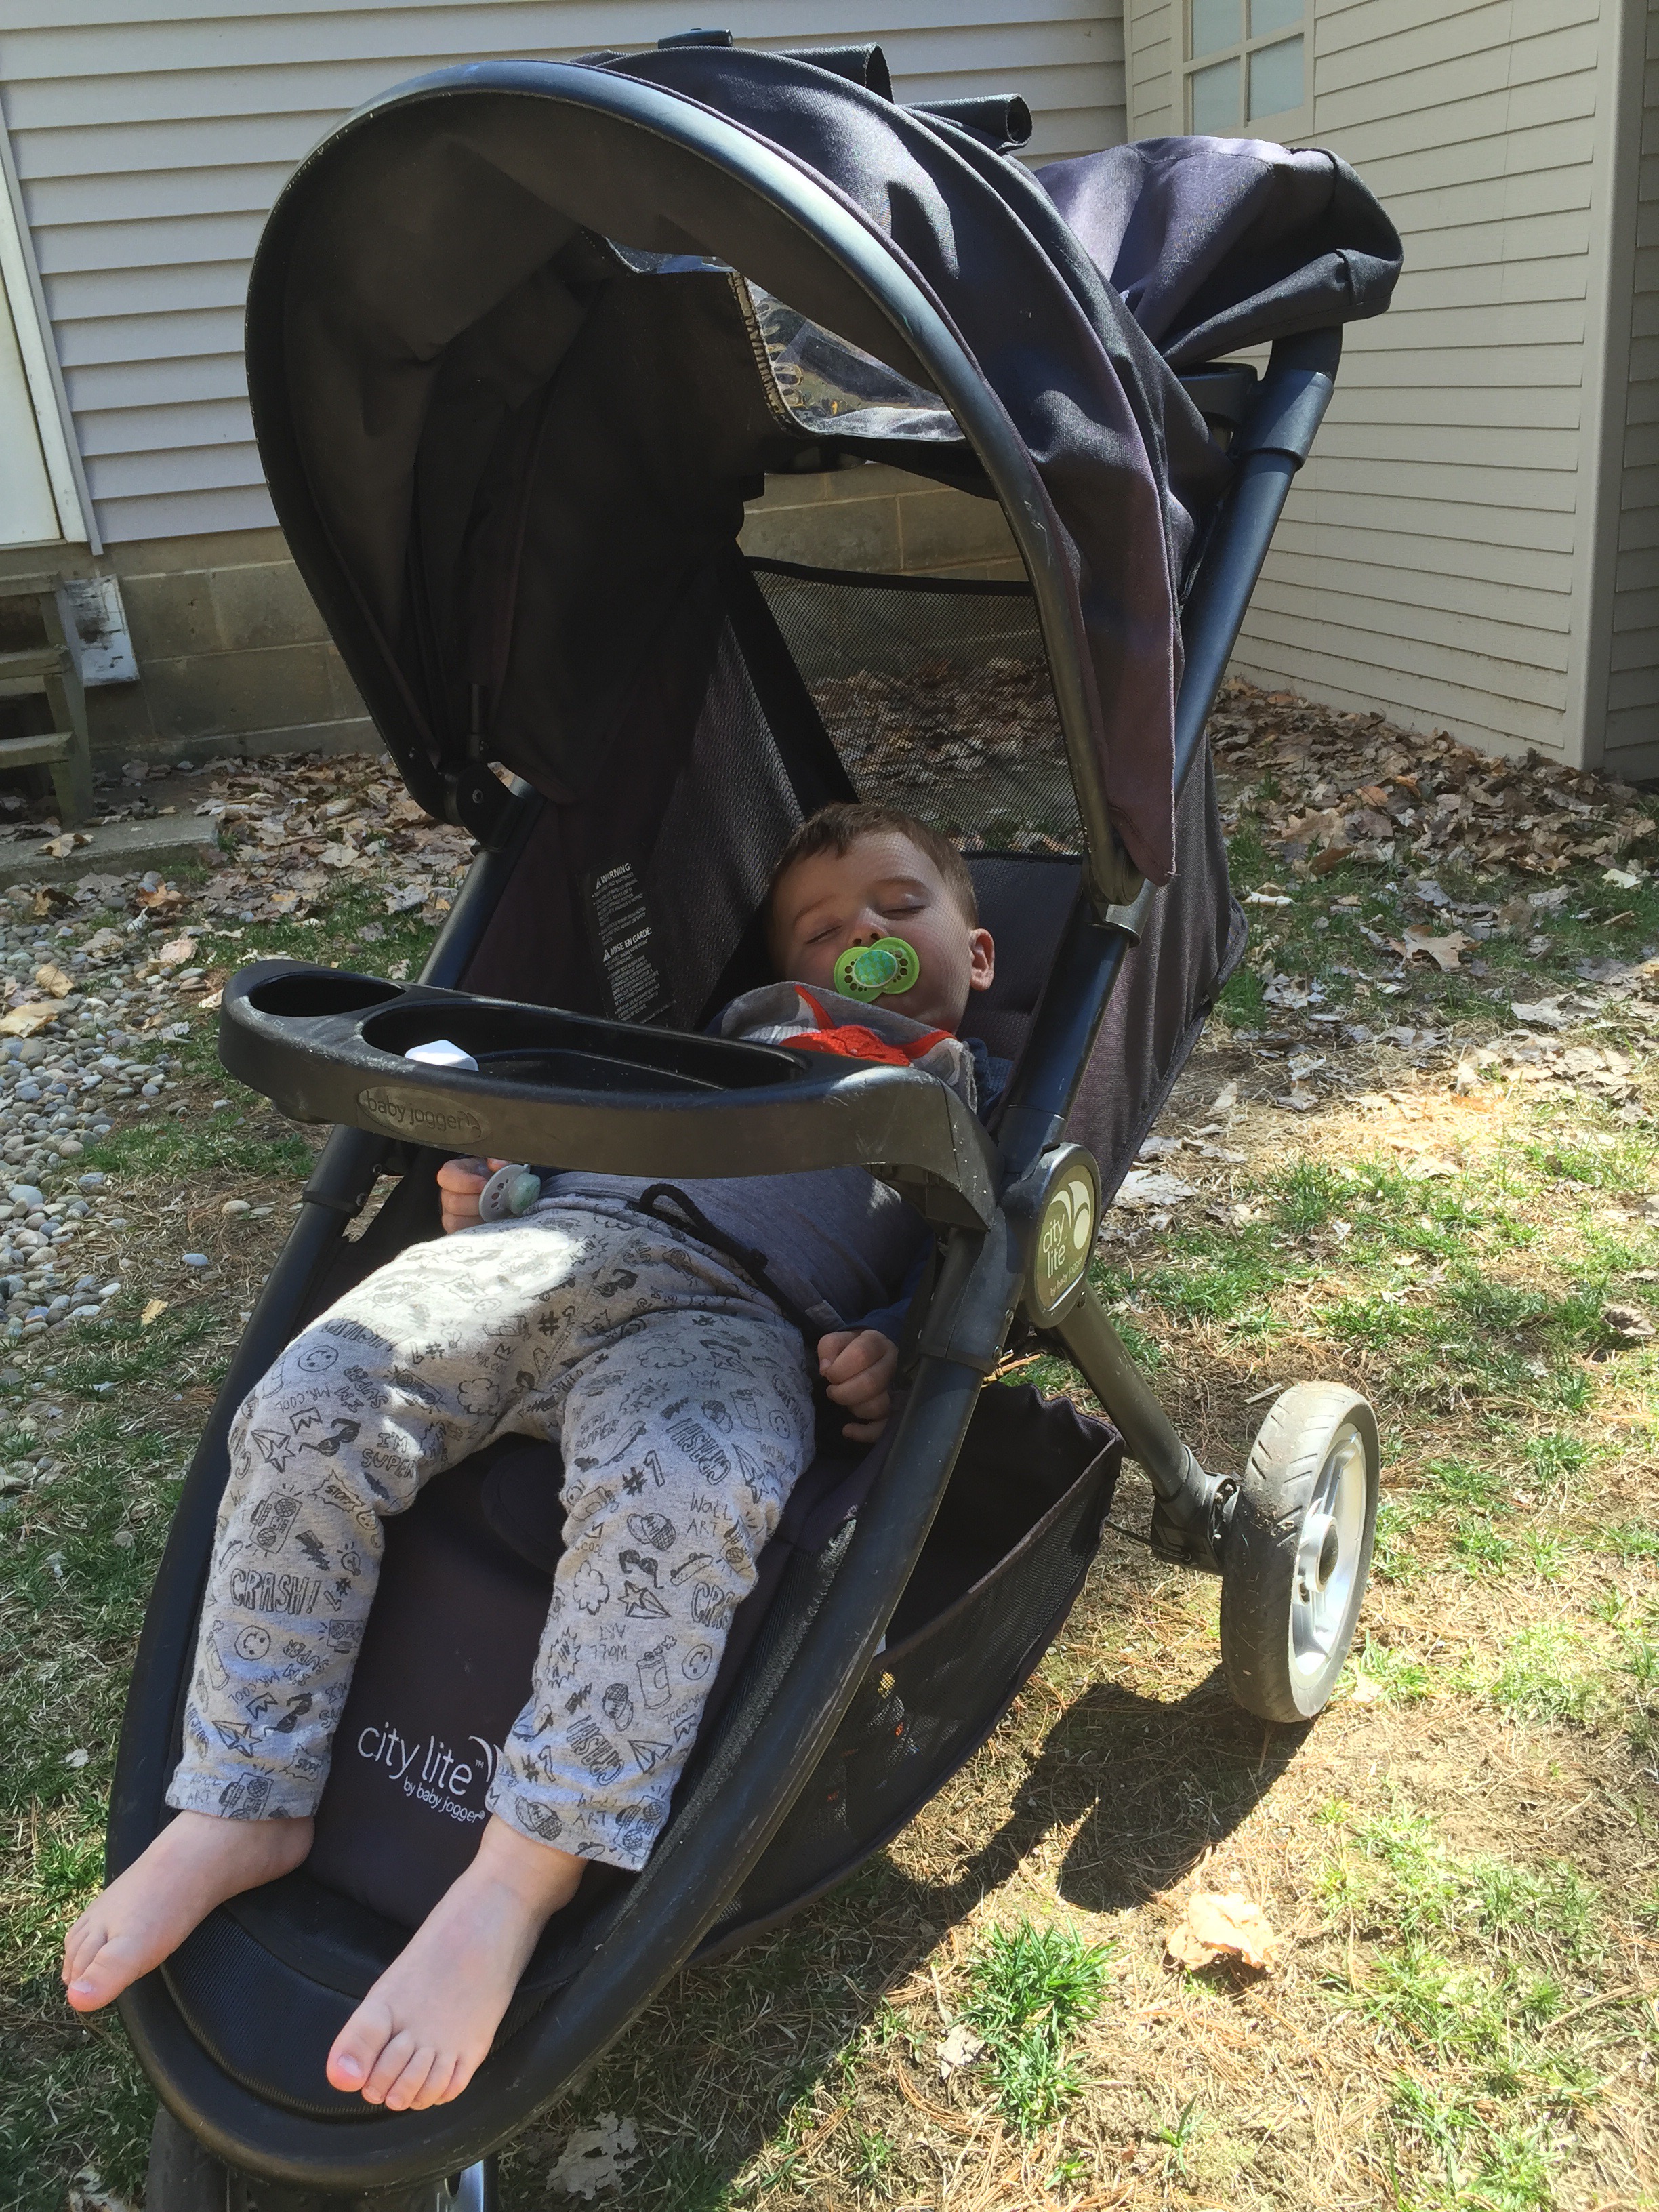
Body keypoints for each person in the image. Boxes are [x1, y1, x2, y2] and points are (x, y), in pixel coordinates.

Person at [61, 803, 1002, 2114]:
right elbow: (580, 1123)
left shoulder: (967, 1102)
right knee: (316, 1395)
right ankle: (241, 1796)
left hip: (740, 1317)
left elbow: (979, 1277)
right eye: (820, 927)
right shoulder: (722, 1036)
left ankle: (516, 1880)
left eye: (898, 911)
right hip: (552, 1247)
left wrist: (897, 1341)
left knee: (689, 1493)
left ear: (979, 953)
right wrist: (497, 1188)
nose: (862, 940)